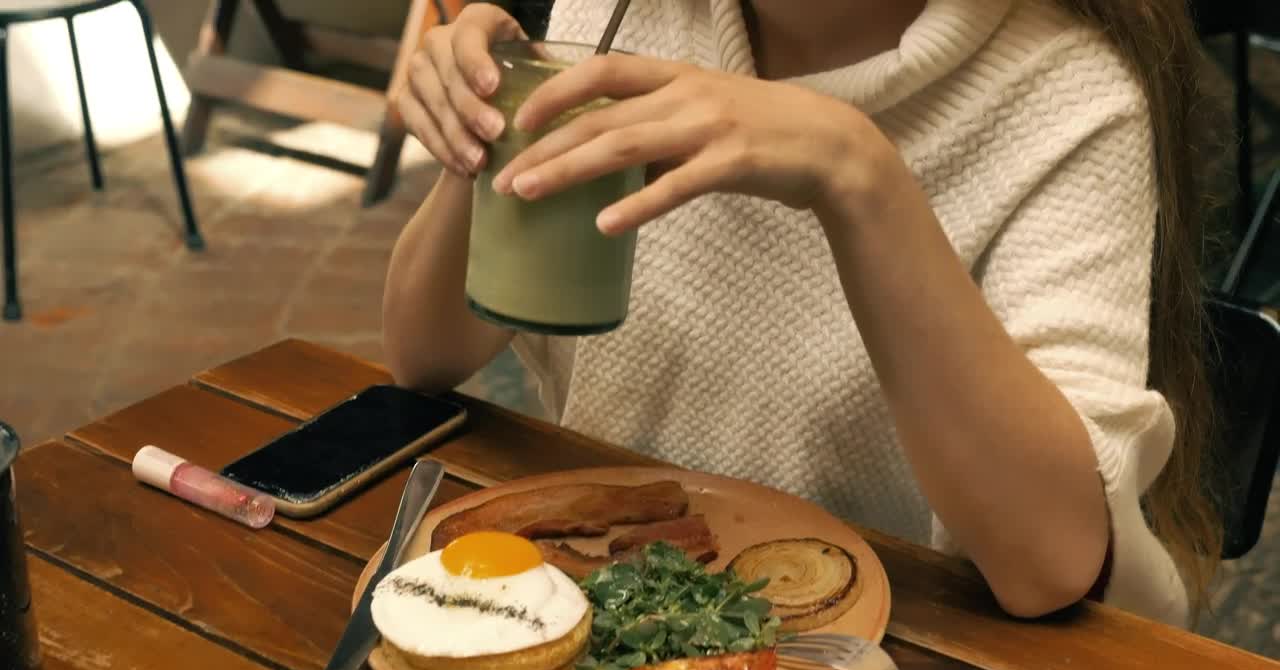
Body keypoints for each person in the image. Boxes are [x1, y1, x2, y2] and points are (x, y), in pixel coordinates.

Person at [381, 0, 1221, 628]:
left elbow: (1050, 561)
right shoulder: (626, 11)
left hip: (892, 656)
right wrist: (478, 130)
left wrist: (856, 172)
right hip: (601, 624)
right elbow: (424, 356)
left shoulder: (1068, 94)